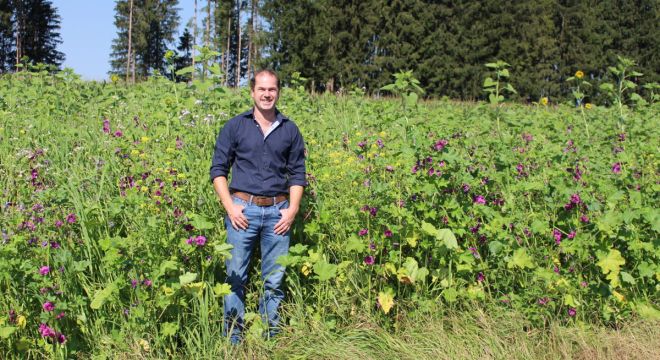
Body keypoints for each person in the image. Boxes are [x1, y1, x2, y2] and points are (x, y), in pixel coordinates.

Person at [209, 69, 306, 344]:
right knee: (235, 278)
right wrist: (230, 206)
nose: (267, 94)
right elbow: (218, 170)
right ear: (252, 92)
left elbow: (298, 174)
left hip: (278, 213)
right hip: (242, 211)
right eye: (261, 89)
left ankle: (270, 341)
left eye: (272, 90)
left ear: (278, 93)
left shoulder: (289, 129)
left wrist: (293, 210)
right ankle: (233, 341)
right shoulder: (235, 126)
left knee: (274, 281)